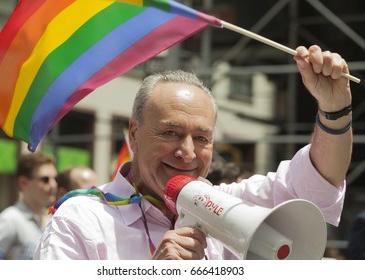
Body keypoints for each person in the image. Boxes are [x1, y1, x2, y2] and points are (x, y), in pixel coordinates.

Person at [35, 45, 352, 260]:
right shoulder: (82, 219)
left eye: (202, 137)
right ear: (134, 133)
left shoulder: (229, 204)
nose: (187, 153)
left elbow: (314, 186)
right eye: (170, 132)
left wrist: (334, 109)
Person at [0, 152, 57, 259]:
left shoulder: (53, 219)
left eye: (55, 178)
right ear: (23, 182)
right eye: (45, 179)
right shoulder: (8, 220)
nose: (53, 185)